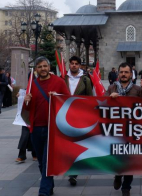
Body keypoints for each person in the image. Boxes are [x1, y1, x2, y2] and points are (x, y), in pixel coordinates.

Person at [24, 56, 70, 196]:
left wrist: (57, 97)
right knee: (40, 161)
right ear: (36, 69)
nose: (43, 69)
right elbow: (28, 108)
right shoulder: (32, 83)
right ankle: (49, 184)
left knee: (46, 162)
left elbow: (68, 101)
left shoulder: (59, 82)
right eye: (40, 67)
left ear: (49, 67)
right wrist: (26, 101)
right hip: (36, 128)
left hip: (53, 128)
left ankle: (43, 192)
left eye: (45, 66)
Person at [107, 62, 142, 196]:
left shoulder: (137, 89)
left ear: (131, 74)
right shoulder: (112, 88)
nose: (123, 74)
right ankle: (118, 175)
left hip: (133, 130)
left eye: (126, 72)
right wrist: (109, 98)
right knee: (118, 158)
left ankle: (126, 187)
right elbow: (100, 105)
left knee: (130, 159)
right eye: (121, 72)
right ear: (118, 73)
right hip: (116, 130)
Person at [64, 56, 93, 186]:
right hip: (64, 116)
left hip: (79, 116)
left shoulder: (86, 79)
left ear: (80, 66)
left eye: (76, 64)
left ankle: (73, 173)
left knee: (76, 144)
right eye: (72, 64)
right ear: (69, 65)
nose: (74, 66)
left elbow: (90, 98)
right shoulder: (63, 79)